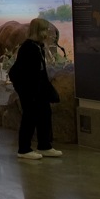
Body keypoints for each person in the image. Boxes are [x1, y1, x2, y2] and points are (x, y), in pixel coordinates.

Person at [13, 18, 63, 160]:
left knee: (44, 115)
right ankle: (24, 149)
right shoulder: (28, 48)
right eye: (45, 29)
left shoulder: (38, 46)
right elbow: (26, 73)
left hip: (39, 90)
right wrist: (28, 92)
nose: (47, 33)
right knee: (29, 117)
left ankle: (44, 145)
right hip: (30, 91)